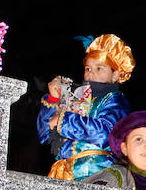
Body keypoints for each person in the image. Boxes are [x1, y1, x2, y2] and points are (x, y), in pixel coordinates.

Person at [36, 34, 134, 180]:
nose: (91, 73)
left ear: (115, 75)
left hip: (97, 174)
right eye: (88, 68)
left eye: (99, 68)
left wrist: (63, 121)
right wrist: (53, 98)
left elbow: (106, 133)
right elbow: (44, 135)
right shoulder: (75, 96)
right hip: (62, 173)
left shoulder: (115, 99)